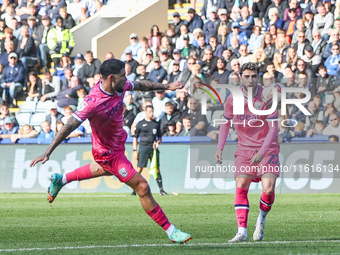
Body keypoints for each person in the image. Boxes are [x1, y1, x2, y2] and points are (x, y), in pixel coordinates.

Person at [30, 58, 191, 243]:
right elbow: (69, 126)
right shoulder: (92, 101)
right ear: (112, 77)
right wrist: (47, 152)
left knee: (104, 170)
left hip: (117, 145)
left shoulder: (119, 86)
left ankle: (62, 179)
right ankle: (171, 230)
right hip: (107, 152)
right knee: (143, 187)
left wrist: (167, 85)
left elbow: (140, 85)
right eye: (123, 76)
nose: (126, 79)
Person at [215, 62, 280, 242]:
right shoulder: (233, 98)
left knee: (268, 188)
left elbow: (274, 128)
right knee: (241, 184)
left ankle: (261, 219)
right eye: (247, 76)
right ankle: (242, 232)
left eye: (253, 76)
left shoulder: (267, 96)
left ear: (258, 77)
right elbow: (225, 123)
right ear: (241, 77)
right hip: (244, 149)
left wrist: (262, 151)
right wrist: (220, 147)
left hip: (268, 148)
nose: (250, 80)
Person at [132, 105, 167, 196]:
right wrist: (135, 150)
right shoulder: (140, 124)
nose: (151, 113)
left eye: (152, 111)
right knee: (139, 169)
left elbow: (159, 138)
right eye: (149, 112)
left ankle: (161, 190)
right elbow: (135, 138)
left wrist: (157, 143)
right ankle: (134, 190)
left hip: (153, 149)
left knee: (157, 169)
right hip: (143, 148)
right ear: (146, 112)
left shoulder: (156, 124)